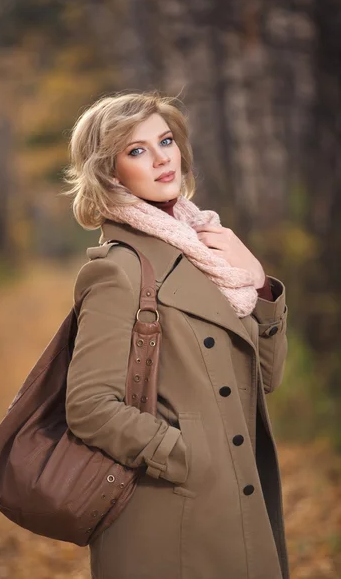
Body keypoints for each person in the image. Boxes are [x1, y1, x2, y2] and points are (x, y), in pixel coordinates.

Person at [62, 92, 289, 579]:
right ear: (110, 172)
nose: (162, 157)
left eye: (165, 141)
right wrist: (186, 455)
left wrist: (259, 282)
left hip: (236, 497)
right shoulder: (119, 270)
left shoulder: (206, 249)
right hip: (170, 514)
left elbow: (264, 379)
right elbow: (87, 404)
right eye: (137, 150)